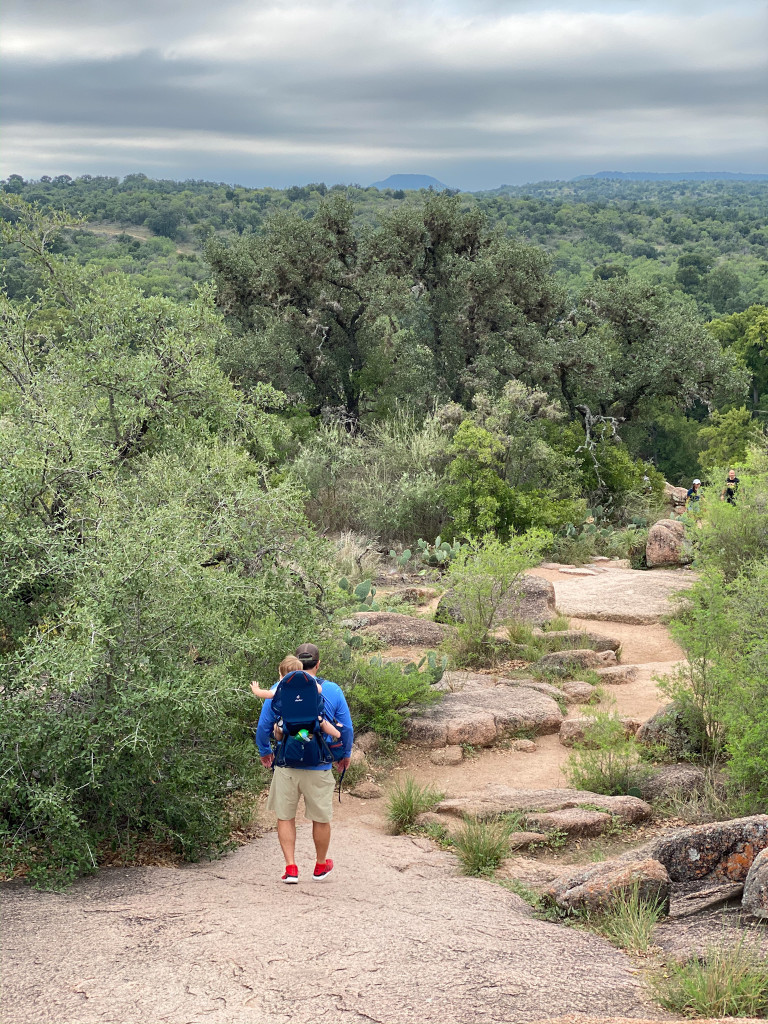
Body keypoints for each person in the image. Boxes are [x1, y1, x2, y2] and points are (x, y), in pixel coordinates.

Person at [256, 643, 353, 884]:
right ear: (318, 664)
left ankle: (291, 868)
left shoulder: (279, 688)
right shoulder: (330, 690)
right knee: (321, 817)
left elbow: (263, 727)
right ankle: (320, 865)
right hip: (318, 763)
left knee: (285, 816)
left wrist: (265, 751)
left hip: (287, 763)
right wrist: (344, 754)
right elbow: (346, 728)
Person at [251, 655, 341, 740]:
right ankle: (337, 734)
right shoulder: (308, 683)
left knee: (277, 727)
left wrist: (256, 690)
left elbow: (268, 694)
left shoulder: (281, 686)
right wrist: (312, 682)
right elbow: (320, 690)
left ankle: (283, 740)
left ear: (281, 675)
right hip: (310, 720)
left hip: (289, 723)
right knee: (322, 722)